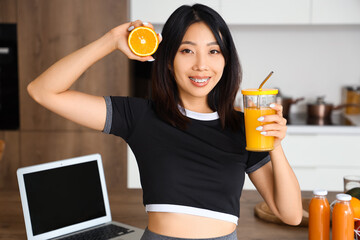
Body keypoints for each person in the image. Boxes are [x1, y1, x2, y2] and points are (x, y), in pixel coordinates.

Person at [27, 4, 302, 240]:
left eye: (214, 51)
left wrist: (275, 146)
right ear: (168, 60)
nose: (201, 65)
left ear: (226, 61)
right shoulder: (140, 116)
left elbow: (289, 215)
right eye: (187, 51)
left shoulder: (241, 127)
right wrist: (110, 40)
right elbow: (42, 91)